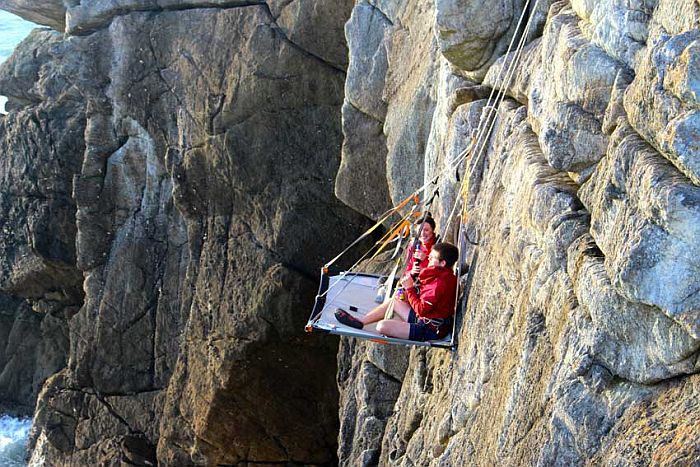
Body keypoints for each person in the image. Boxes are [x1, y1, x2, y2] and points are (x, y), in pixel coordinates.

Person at [335, 242, 459, 341]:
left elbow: (422, 309)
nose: (429, 260)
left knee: (381, 326)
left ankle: (400, 328)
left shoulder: (440, 283)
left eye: (432, 258)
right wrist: (408, 292)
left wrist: (410, 289)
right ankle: (360, 322)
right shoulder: (440, 276)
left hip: (430, 329)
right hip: (425, 319)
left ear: (442, 263)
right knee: (394, 302)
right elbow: (426, 298)